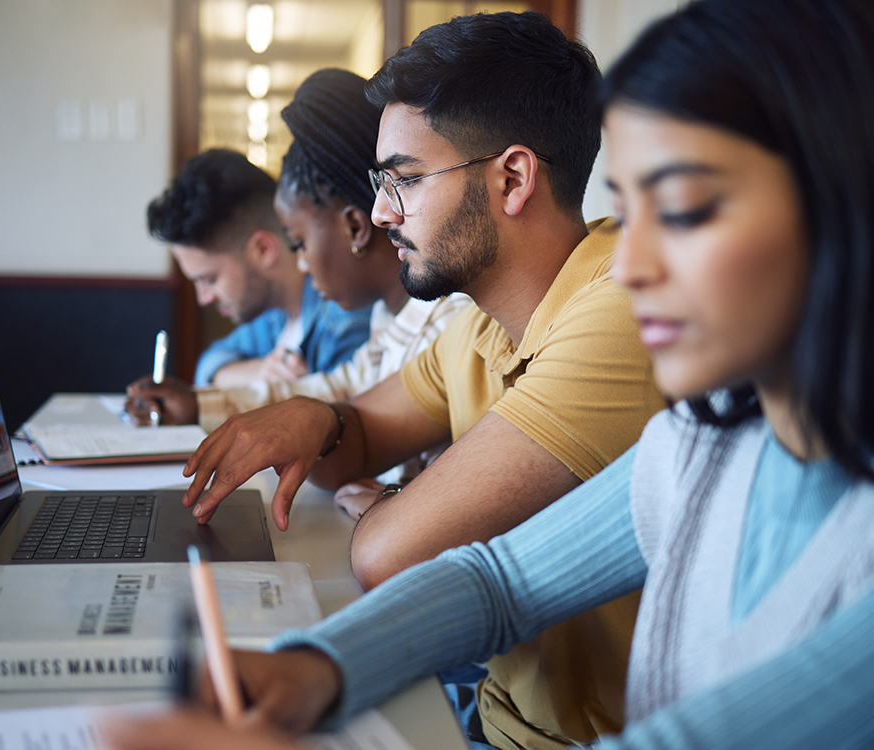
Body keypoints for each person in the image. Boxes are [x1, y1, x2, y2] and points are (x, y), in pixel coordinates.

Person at [102, 0, 874, 748]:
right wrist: (314, 668)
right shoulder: (708, 441)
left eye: (683, 208)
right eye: (631, 211)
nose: (634, 266)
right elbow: (501, 582)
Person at [175, 12, 664, 749]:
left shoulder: (617, 308)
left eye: (403, 180)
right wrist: (318, 418)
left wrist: (400, 503)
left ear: (513, 178)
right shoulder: (479, 319)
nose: (378, 212)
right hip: (490, 714)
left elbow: (388, 554)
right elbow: (357, 436)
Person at [130, 71, 472, 498]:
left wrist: (387, 503)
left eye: (300, 243)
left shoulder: (453, 319)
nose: (303, 265)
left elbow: (453, 477)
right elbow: (334, 392)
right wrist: (199, 405)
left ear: (354, 227)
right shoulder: (391, 315)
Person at [132, 148, 371, 395]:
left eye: (210, 280)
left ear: (263, 250)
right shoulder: (274, 319)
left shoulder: (346, 321)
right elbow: (210, 364)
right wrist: (257, 372)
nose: (203, 298)